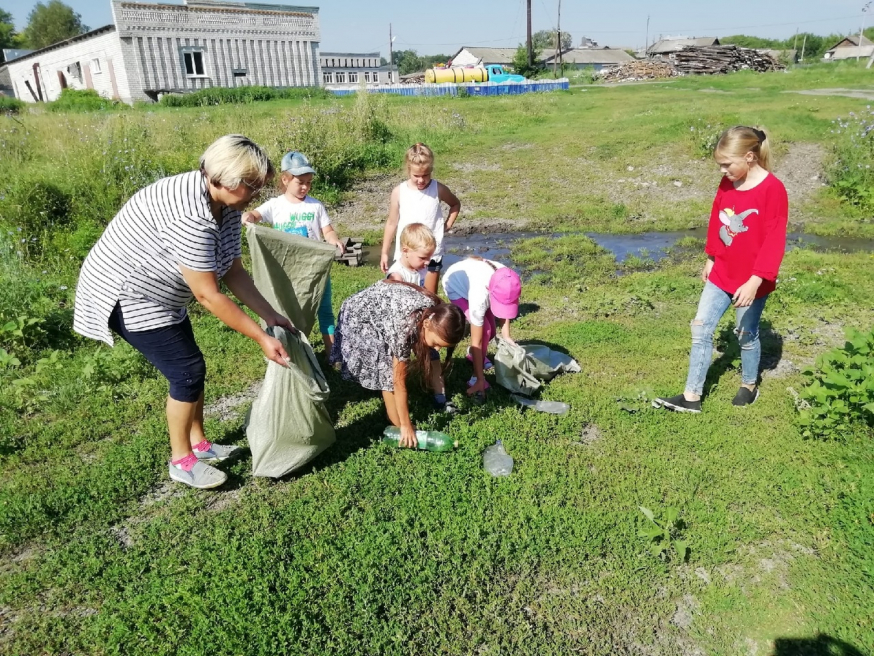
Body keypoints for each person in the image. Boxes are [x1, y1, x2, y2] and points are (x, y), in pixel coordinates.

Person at [74, 135, 296, 490]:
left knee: (192, 366)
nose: (258, 193)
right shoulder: (190, 216)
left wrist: (270, 316)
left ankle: (199, 443)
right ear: (220, 179)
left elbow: (232, 271)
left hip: (162, 295)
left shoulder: (225, 206)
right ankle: (182, 460)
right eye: (252, 186)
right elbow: (208, 294)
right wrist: (260, 337)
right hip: (128, 293)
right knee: (187, 370)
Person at [654, 125, 788, 413]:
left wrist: (755, 281)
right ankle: (691, 398)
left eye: (727, 164)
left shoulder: (772, 189)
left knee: (745, 333)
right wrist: (711, 257)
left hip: (752, 280)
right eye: (720, 165)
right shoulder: (728, 184)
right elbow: (717, 220)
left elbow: (774, 239)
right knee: (700, 327)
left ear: (750, 157)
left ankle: (749, 385)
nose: (723, 171)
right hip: (722, 273)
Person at [330, 280, 466, 445]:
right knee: (386, 373)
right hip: (360, 314)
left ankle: (399, 422)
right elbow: (397, 382)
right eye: (436, 343)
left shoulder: (436, 314)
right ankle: (396, 425)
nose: (437, 349)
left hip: (385, 310)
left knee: (394, 363)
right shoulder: (405, 328)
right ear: (426, 324)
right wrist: (406, 425)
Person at [242, 151, 344, 354]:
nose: (305, 186)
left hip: (316, 270)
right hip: (288, 272)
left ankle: (332, 352)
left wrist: (334, 240)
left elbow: (328, 230)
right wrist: (248, 217)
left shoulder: (315, 206)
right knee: (288, 309)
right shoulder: (275, 205)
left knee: (324, 310)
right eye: (300, 182)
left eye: (309, 181)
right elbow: (255, 214)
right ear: (285, 180)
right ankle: (290, 347)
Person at [379, 143, 461, 295]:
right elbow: (391, 223)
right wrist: (384, 252)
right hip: (407, 254)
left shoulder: (438, 189)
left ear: (431, 170)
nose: (421, 180)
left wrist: (447, 225)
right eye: (416, 176)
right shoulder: (399, 192)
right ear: (408, 170)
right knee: (403, 293)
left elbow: (455, 204)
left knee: (429, 296)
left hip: (432, 254)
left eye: (426, 175)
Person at [442, 257, 522, 398]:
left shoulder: (508, 279)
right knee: (485, 331)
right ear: (489, 291)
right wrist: (480, 379)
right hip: (456, 286)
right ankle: (474, 378)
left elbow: (506, 300)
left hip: (474, 279)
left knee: (490, 334)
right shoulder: (479, 295)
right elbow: (476, 341)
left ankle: (473, 355)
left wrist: (506, 336)